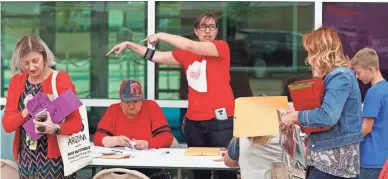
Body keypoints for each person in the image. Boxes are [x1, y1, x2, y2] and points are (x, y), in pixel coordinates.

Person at [107, 12, 236, 179]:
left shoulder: (220, 47)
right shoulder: (185, 54)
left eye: (211, 26)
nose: (207, 31)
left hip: (221, 121)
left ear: (217, 30)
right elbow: (155, 56)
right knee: (199, 172)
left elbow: (190, 45)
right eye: (203, 27)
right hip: (194, 122)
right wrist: (130, 45)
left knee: (225, 170)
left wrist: (160, 35)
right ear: (196, 31)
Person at [280, 27, 363, 179]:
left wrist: (295, 116)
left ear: (321, 52)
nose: (308, 58)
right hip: (326, 160)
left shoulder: (340, 76)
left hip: (332, 163)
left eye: (311, 52)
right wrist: (298, 114)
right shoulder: (336, 75)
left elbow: (327, 116)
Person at [2, 35, 82, 179]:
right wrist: (26, 111)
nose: (31, 67)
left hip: (56, 160)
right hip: (27, 159)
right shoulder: (17, 82)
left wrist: (55, 128)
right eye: (26, 63)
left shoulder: (60, 79)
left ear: (44, 56)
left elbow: (76, 123)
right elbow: (7, 125)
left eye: (35, 61)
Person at [93, 79, 174, 179]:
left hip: (150, 166)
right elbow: (98, 138)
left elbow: (167, 137)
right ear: (121, 100)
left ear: (141, 99)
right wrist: (115, 140)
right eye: (127, 102)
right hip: (118, 167)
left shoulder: (151, 107)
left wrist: (147, 144)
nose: (131, 106)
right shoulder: (113, 110)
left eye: (135, 101)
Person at [351, 48, 388, 179]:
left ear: (371, 70)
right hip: (384, 159)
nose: (357, 76)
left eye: (358, 72)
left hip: (370, 159)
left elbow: (366, 128)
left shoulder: (374, 92)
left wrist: (346, 141)